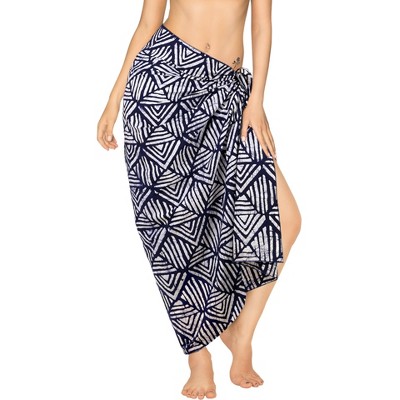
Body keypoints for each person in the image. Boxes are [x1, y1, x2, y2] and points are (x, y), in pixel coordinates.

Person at [97, 0, 301, 398]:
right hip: (162, 89)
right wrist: (113, 100)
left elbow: (262, 26)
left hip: (229, 96)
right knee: (174, 230)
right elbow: (148, 23)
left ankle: (241, 336)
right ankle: (197, 353)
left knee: (287, 220)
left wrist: (256, 101)